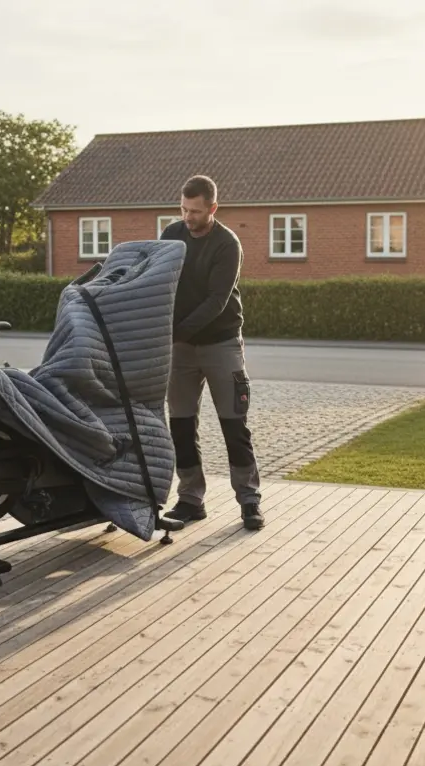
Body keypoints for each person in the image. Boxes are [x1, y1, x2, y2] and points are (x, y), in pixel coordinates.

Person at [159, 175, 263, 531]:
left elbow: (216, 302)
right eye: (184, 209)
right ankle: (190, 499)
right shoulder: (171, 235)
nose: (188, 217)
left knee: (234, 423)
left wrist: (174, 331)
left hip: (221, 343)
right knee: (182, 425)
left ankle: (249, 501)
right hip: (181, 349)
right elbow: (157, 282)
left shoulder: (226, 244)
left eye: (195, 211)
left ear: (212, 209)